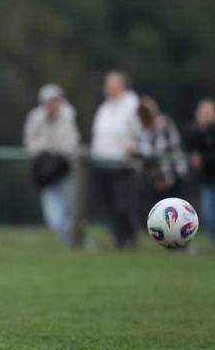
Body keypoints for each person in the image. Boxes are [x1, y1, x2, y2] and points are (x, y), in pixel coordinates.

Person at [91, 70, 142, 249]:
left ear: (123, 86)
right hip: (104, 164)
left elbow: (141, 131)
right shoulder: (105, 107)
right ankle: (118, 240)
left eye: (114, 86)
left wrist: (135, 145)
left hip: (124, 165)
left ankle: (129, 239)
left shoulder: (133, 104)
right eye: (108, 86)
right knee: (111, 205)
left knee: (123, 205)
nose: (110, 89)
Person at [23, 84, 80, 243]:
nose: (52, 104)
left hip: (65, 173)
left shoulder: (68, 116)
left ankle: (78, 244)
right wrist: (45, 157)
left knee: (71, 215)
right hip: (47, 175)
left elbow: (70, 145)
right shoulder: (35, 118)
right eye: (49, 101)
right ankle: (77, 242)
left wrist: (57, 158)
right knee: (54, 219)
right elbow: (30, 143)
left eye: (56, 100)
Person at [135, 95, 186, 202]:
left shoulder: (164, 123)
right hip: (155, 183)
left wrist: (138, 151)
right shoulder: (143, 132)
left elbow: (161, 150)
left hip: (173, 179)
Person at [187, 98, 215, 244]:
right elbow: (192, 152)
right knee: (207, 212)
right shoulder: (195, 132)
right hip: (207, 179)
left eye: (208, 112)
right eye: (203, 113)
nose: (205, 116)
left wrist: (202, 159)